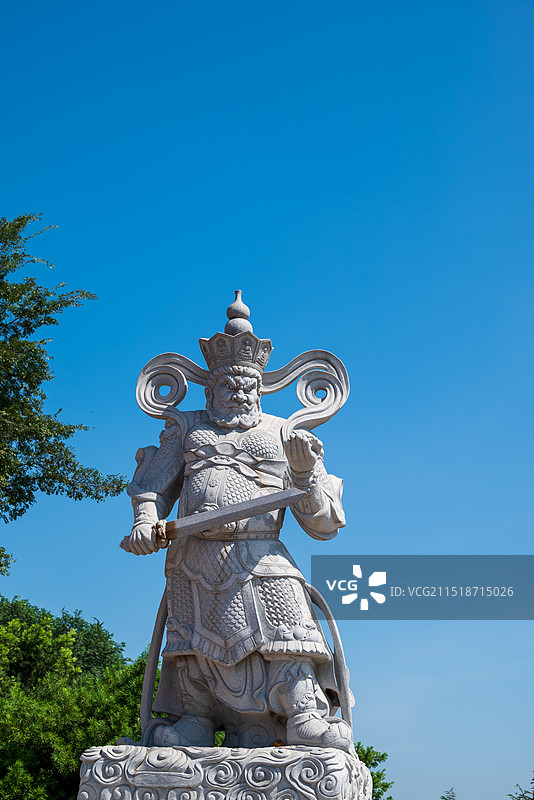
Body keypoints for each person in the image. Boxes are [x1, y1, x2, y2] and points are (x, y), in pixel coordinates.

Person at [126, 293, 351, 750]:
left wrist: (305, 473)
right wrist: (145, 521)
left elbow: (323, 523)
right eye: (229, 384)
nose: (240, 392)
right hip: (192, 555)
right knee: (191, 642)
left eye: (249, 385)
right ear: (210, 388)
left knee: (286, 628)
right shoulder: (187, 428)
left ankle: (304, 712)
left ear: (261, 386)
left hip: (262, 552)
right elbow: (151, 487)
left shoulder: (286, 433)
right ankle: (195, 718)